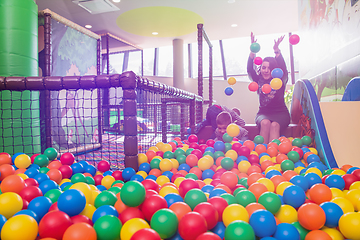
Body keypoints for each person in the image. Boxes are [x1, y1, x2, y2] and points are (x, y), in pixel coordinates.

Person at [247, 32, 290, 144]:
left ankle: (273, 157)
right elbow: (250, 70)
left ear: (274, 69)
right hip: (263, 113)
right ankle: (262, 155)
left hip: (281, 113)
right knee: (265, 123)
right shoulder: (258, 80)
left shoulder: (280, 79)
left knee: (275, 125)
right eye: (264, 67)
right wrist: (252, 51)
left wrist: (276, 50)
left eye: (269, 68)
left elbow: (284, 69)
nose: (266, 70)